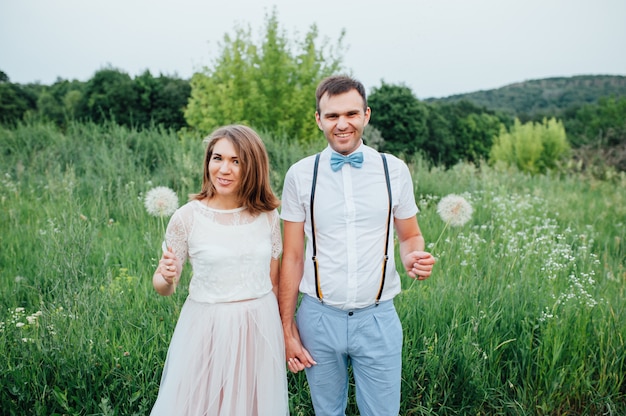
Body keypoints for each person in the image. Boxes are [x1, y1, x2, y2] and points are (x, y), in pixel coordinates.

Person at [279, 75, 436, 415]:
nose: (342, 124)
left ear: (366, 114)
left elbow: (410, 236)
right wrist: (287, 328)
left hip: (378, 320)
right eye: (332, 116)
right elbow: (291, 257)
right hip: (317, 319)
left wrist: (413, 258)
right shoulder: (300, 175)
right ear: (318, 119)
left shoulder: (393, 170)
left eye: (351, 114)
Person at [150, 125, 289, 415]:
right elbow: (164, 287)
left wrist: (283, 333)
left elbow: (273, 282)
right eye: (217, 158)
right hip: (207, 329)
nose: (224, 169)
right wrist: (166, 275)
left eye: (236, 161)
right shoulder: (186, 217)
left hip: (258, 328)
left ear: (253, 166)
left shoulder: (268, 215)